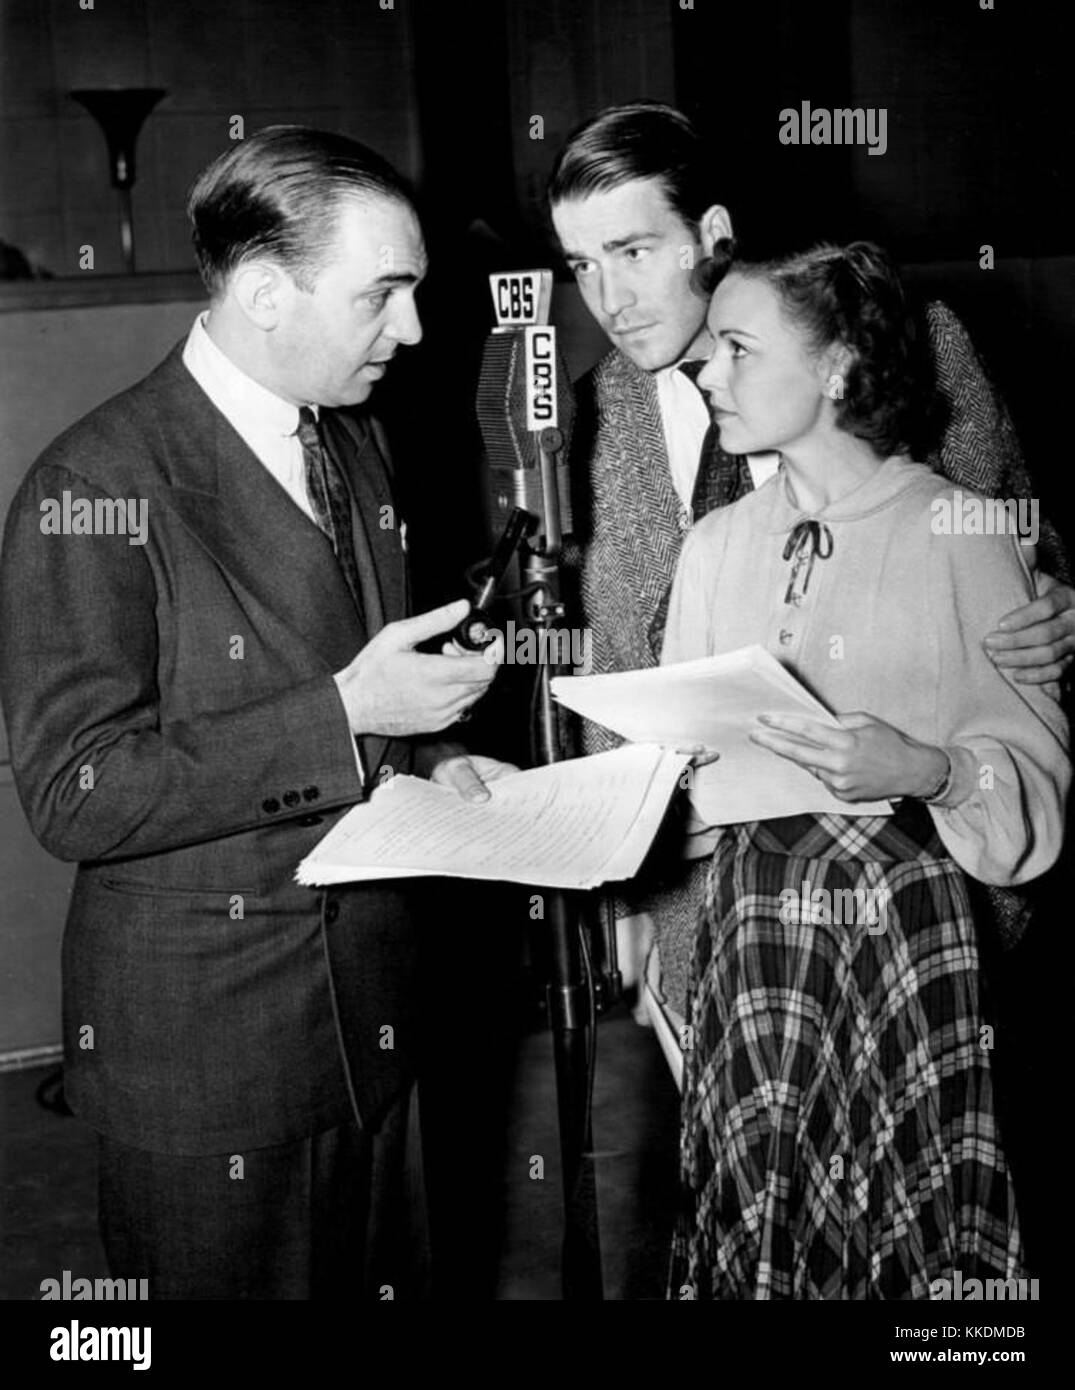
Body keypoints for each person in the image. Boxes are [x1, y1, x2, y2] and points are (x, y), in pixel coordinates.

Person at [0, 125, 513, 1300]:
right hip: (209, 1054)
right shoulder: (95, 487)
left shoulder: (357, 442)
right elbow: (76, 790)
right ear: (267, 290)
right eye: (382, 294)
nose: (416, 330)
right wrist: (345, 716)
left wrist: (424, 749)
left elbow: (346, 683)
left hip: (381, 1024)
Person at [546, 102, 1075, 1016]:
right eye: (581, 265)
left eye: (632, 252)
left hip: (927, 920)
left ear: (709, 235)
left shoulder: (914, 337)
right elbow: (613, 667)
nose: (609, 300)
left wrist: (1065, 607)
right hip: (713, 934)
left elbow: (1020, 549)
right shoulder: (586, 419)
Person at [659, 240, 1069, 1299]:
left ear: (838, 365)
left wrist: (928, 768)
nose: (706, 371)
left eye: (737, 348)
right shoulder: (712, 544)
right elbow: (670, 779)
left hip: (899, 943)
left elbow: (1032, 788)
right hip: (751, 942)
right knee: (757, 1229)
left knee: (910, 1243)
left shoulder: (960, 528)